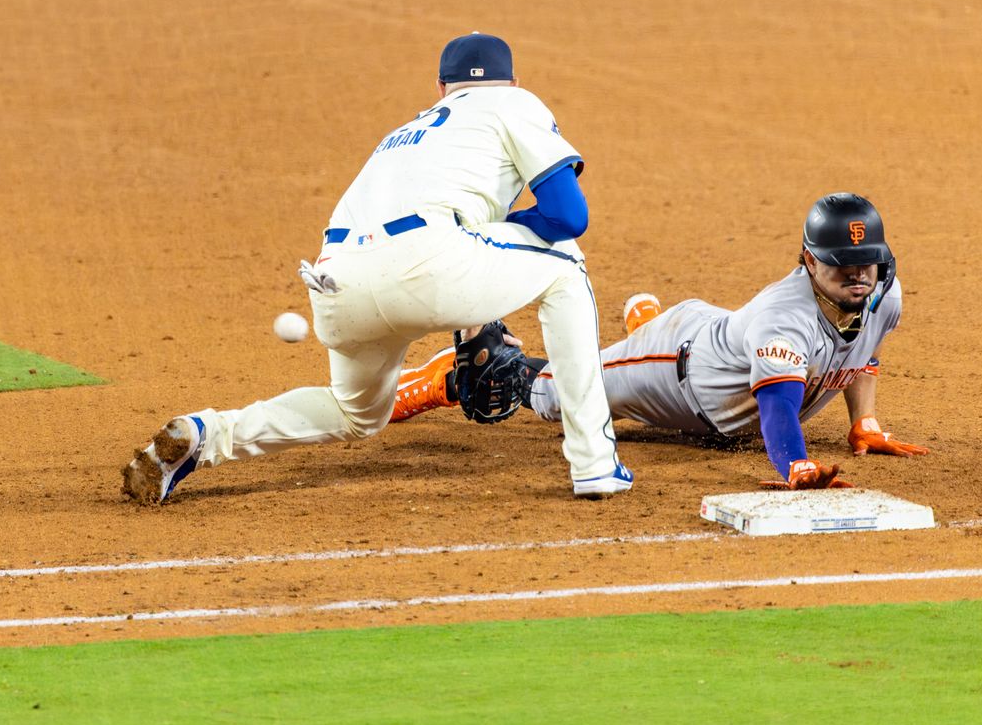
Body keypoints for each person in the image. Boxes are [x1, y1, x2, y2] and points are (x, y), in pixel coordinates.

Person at [122, 33, 632, 504]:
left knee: (356, 413)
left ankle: (208, 434)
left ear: (441, 88)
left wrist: (476, 313)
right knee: (565, 259)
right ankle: (594, 463)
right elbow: (570, 216)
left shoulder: (407, 134)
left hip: (336, 281)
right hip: (432, 266)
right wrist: (517, 231)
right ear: (514, 82)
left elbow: (437, 233)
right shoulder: (514, 103)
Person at [391, 193, 927, 489]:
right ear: (809, 261)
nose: (859, 275)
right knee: (562, 397)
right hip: (677, 371)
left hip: (723, 356)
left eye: (867, 263)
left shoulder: (883, 292)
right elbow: (778, 411)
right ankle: (461, 374)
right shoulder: (783, 321)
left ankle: (640, 330)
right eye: (842, 265)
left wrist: (865, 424)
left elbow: (861, 352)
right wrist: (795, 465)